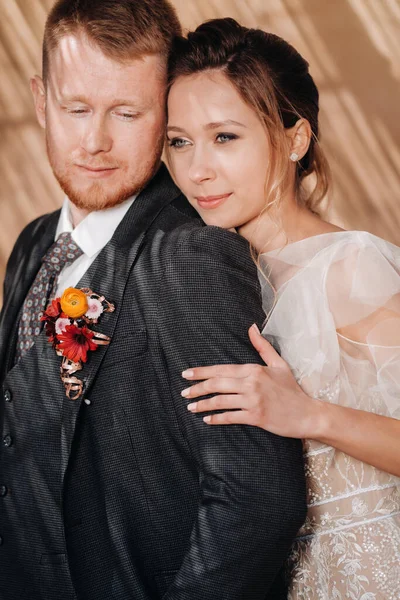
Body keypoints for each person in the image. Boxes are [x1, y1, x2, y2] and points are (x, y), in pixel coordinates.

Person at [0, 2, 307, 600]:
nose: (95, 141)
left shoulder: (191, 255)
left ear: (165, 109)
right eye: (76, 108)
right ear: (41, 100)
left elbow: (255, 494)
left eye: (128, 112)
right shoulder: (36, 241)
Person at [166, 18, 400, 599]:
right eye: (178, 141)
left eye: (225, 137)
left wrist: (310, 415)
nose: (198, 169)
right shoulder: (217, 280)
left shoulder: (351, 267)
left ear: (295, 138)